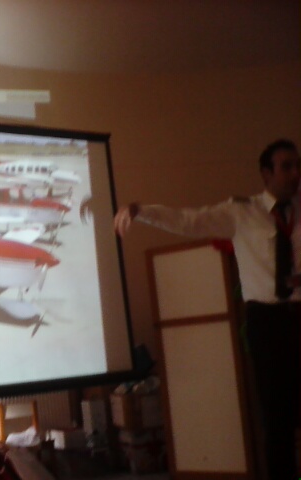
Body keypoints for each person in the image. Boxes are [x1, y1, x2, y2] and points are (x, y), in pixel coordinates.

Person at [114, 139, 300, 480]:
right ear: (266, 174)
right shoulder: (242, 211)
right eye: (286, 166)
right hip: (268, 321)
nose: (294, 174)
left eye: (297, 166)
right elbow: (189, 221)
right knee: (278, 415)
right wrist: (142, 210)